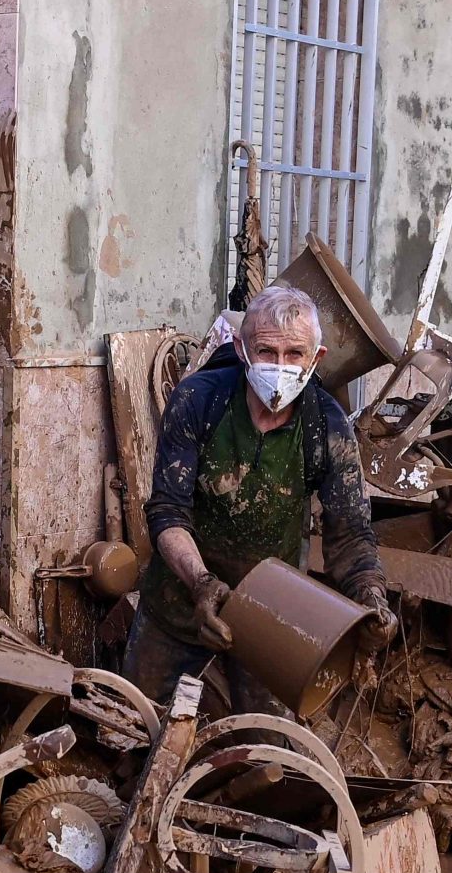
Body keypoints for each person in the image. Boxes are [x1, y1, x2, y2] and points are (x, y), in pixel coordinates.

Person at [131, 285, 398, 707]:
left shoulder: (327, 427)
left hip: (273, 614)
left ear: (317, 358)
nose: (280, 367)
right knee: (135, 726)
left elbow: (349, 534)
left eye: (295, 354)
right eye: (266, 352)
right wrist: (201, 583)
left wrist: (370, 593)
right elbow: (167, 512)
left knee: (266, 749)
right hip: (181, 599)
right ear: (241, 349)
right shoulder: (198, 400)